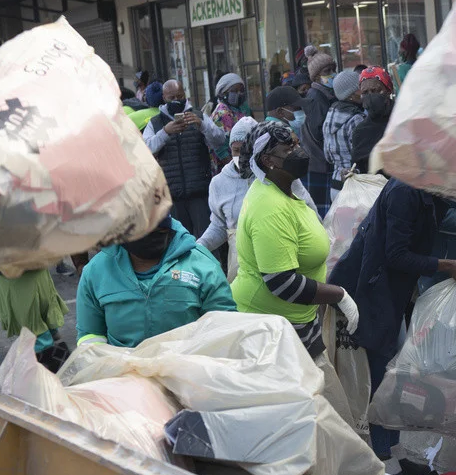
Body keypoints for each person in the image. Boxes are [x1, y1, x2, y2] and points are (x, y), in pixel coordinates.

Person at [330, 178, 456, 460]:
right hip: (371, 288)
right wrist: (447, 265)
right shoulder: (405, 192)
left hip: (393, 289)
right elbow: (396, 254)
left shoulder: (426, 190)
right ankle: (384, 456)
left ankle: (394, 451)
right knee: (381, 376)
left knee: (394, 373)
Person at [232, 121, 358, 357]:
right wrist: (338, 295)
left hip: (295, 321)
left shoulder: (287, 190)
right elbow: (281, 282)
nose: (298, 152)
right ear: (268, 160)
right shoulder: (269, 206)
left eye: (296, 144)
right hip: (271, 331)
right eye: (288, 149)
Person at [76, 215, 234, 348]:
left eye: (157, 229)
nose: (150, 235)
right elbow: (90, 337)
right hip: (124, 379)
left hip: (188, 377)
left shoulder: (202, 265)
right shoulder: (95, 272)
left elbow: (226, 330)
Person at [142, 79, 227, 238]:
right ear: (164, 98)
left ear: (185, 95)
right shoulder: (156, 122)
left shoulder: (198, 115)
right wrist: (165, 132)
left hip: (200, 191)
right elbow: (145, 150)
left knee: (206, 239)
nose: (176, 100)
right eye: (171, 97)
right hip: (172, 194)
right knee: (179, 242)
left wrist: (202, 125)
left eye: (179, 96)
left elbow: (220, 140)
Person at [198, 115, 259, 282]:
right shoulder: (219, 183)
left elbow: (306, 209)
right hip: (241, 268)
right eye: (236, 150)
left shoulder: (277, 175)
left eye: (248, 149)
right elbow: (220, 226)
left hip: (278, 262)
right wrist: (199, 247)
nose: (242, 155)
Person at [0, 268, 70, 371]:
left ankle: (48, 368)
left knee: (35, 324)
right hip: (22, 269)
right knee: (37, 323)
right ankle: (50, 364)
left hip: (22, 269)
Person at [300, 48, 339, 214]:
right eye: (327, 71)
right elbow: (319, 132)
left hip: (322, 163)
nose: (332, 74)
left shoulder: (326, 94)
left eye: (333, 69)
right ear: (316, 76)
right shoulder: (316, 97)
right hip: (320, 164)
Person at [323, 68, 365, 194]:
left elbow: (328, 157)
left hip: (335, 185)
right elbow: (362, 156)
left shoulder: (330, 113)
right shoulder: (356, 118)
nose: (363, 91)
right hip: (354, 185)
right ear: (351, 95)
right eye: (360, 87)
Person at [350, 66, 393, 174]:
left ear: (388, 91)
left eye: (375, 91)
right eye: (365, 92)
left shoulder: (403, 121)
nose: (370, 96)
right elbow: (357, 167)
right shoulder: (360, 132)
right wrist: (351, 173)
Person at [208, 72, 253, 165]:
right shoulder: (222, 113)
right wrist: (235, 167)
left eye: (241, 90)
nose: (239, 93)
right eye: (234, 91)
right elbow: (220, 149)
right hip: (230, 165)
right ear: (223, 93)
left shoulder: (243, 108)